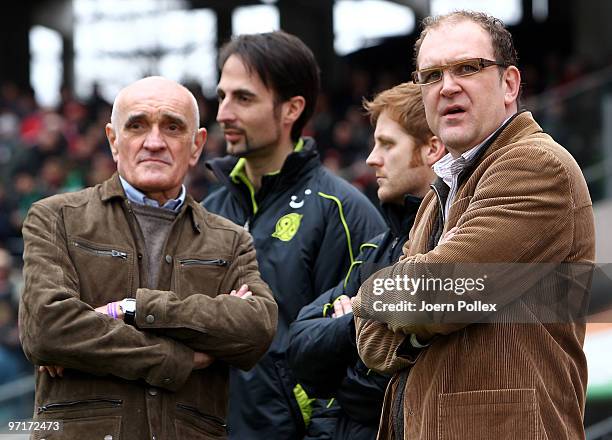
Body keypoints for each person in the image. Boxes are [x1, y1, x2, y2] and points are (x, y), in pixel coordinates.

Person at [352, 11, 595, 440]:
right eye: (431, 75)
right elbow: (371, 345)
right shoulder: (439, 192)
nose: (447, 86)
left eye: (467, 68)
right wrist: (412, 317)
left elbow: (438, 290)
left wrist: (370, 293)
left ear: (509, 84)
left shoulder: (537, 165)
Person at [19, 76, 278, 440]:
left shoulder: (231, 240)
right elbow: (47, 330)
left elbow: (256, 328)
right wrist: (179, 358)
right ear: (113, 140)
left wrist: (133, 309)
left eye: (172, 127)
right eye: (137, 125)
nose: (154, 142)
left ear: (196, 145)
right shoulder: (55, 217)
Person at [203, 31, 385, 439]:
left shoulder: (343, 212)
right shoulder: (207, 213)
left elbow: (363, 352)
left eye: (243, 98)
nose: (224, 114)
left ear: (291, 109)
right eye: (222, 96)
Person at [287, 82, 445, 439]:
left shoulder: (453, 242)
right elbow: (299, 346)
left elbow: (390, 389)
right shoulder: (375, 248)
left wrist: (350, 319)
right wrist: (366, 320)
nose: (372, 158)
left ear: (432, 148)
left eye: (387, 145)